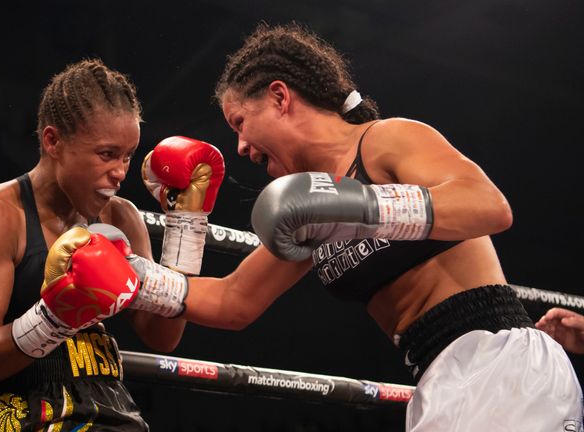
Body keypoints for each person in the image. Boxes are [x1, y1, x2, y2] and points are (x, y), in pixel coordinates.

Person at [121, 23, 583, 431]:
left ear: (281, 98)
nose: (240, 146)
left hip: (499, 362)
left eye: (241, 122)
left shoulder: (386, 140)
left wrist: (365, 203)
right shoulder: (306, 209)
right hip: (437, 378)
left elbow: (490, 206)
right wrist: (131, 275)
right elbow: (232, 301)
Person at [0, 59, 223, 431]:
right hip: (26, 415)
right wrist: (56, 316)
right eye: (106, 154)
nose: (121, 172)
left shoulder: (121, 217)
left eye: (127, 156)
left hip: (113, 408)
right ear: (53, 141)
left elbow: (163, 335)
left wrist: (185, 226)